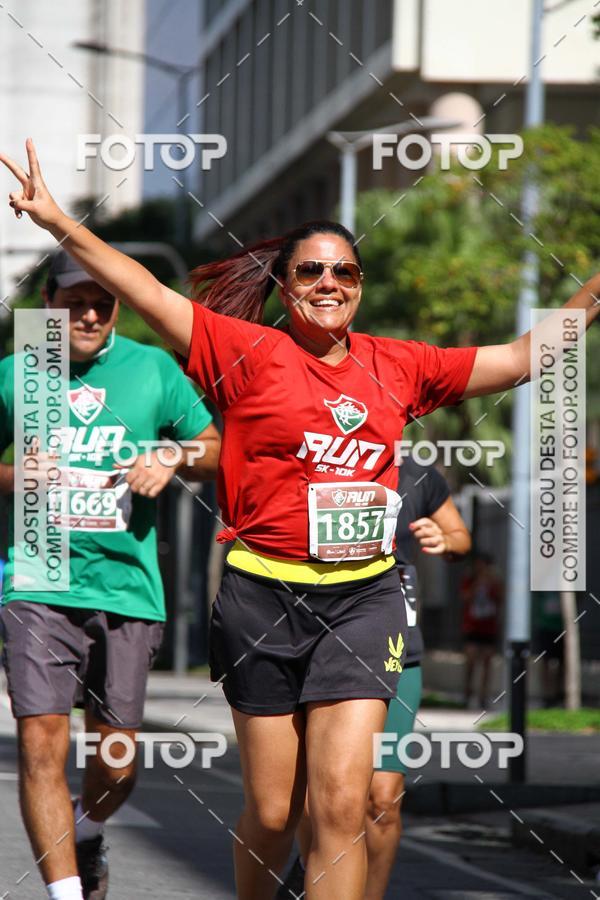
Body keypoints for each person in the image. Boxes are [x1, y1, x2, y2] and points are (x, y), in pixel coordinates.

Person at [1, 140, 599, 900]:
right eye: (310, 271)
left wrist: (591, 295)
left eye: (343, 271)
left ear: (359, 286)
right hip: (259, 599)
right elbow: (144, 290)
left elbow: (520, 358)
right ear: (284, 287)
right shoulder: (242, 351)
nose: (328, 282)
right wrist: (60, 223)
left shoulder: (399, 364)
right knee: (275, 811)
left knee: (343, 803)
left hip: (362, 598)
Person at [0, 248, 220, 900]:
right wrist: (15, 477)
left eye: (102, 302)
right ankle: (65, 895)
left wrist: (172, 455)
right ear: (49, 302)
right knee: (41, 743)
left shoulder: (153, 369)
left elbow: (217, 447)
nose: (90, 313)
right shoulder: (18, 374)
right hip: (39, 583)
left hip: (128, 587)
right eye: (75, 301)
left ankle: (86, 831)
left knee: (117, 764)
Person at [278, 456, 472, 899]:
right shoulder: (310, 462)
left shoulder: (416, 474)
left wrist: (445, 539)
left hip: (397, 652)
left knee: (382, 799)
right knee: (315, 799)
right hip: (317, 642)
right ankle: (315, 869)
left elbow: (461, 537)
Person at [461, 552, 502, 708]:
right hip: (472, 626)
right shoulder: (470, 580)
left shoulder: (494, 582)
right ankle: (467, 692)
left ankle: (483, 696)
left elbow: (501, 598)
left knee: (486, 663)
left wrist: (491, 583)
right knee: (470, 661)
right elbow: (465, 597)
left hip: (488, 628)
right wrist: (478, 584)